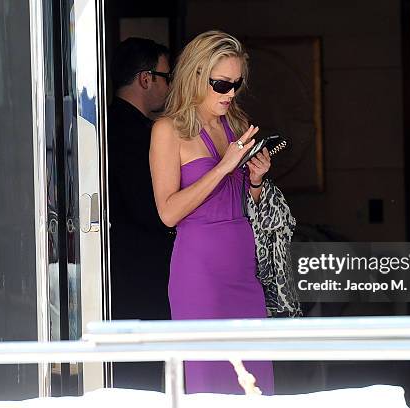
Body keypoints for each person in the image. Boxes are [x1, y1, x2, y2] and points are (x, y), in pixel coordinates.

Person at [149, 30, 274, 394]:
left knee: (255, 381)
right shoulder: (167, 130)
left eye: (236, 84)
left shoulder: (236, 123)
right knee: (207, 380)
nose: (230, 93)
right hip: (199, 269)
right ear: (196, 76)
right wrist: (223, 167)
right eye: (221, 84)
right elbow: (168, 213)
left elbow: (249, 207)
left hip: (242, 264)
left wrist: (255, 180)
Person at [107, 37, 174, 391]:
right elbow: (148, 208)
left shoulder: (110, 123)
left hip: (123, 269)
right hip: (139, 270)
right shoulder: (133, 132)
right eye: (167, 76)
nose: (170, 85)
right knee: (142, 378)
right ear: (146, 79)